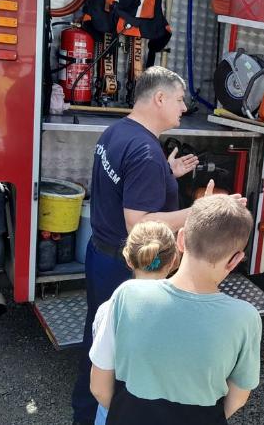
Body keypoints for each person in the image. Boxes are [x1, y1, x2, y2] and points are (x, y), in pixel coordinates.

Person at [72, 66, 199, 425]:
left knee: (98, 337)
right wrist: (198, 210)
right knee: (123, 354)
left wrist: (165, 174)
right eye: (178, 99)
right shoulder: (144, 151)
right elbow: (139, 223)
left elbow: (122, 187)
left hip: (100, 254)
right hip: (124, 268)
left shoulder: (117, 133)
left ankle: (83, 412)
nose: (183, 108)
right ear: (159, 98)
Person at [88, 194, 261, 425]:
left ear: (180, 240)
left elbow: (99, 388)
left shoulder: (127, 295)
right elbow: (238, 397)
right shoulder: (245, 317)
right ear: (235, 260)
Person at [91, 221, 181, 425]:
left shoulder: (110, 309)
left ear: (128, 260)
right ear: (174, 260)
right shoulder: (187, 311)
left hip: (119, 412)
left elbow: (99, 388)